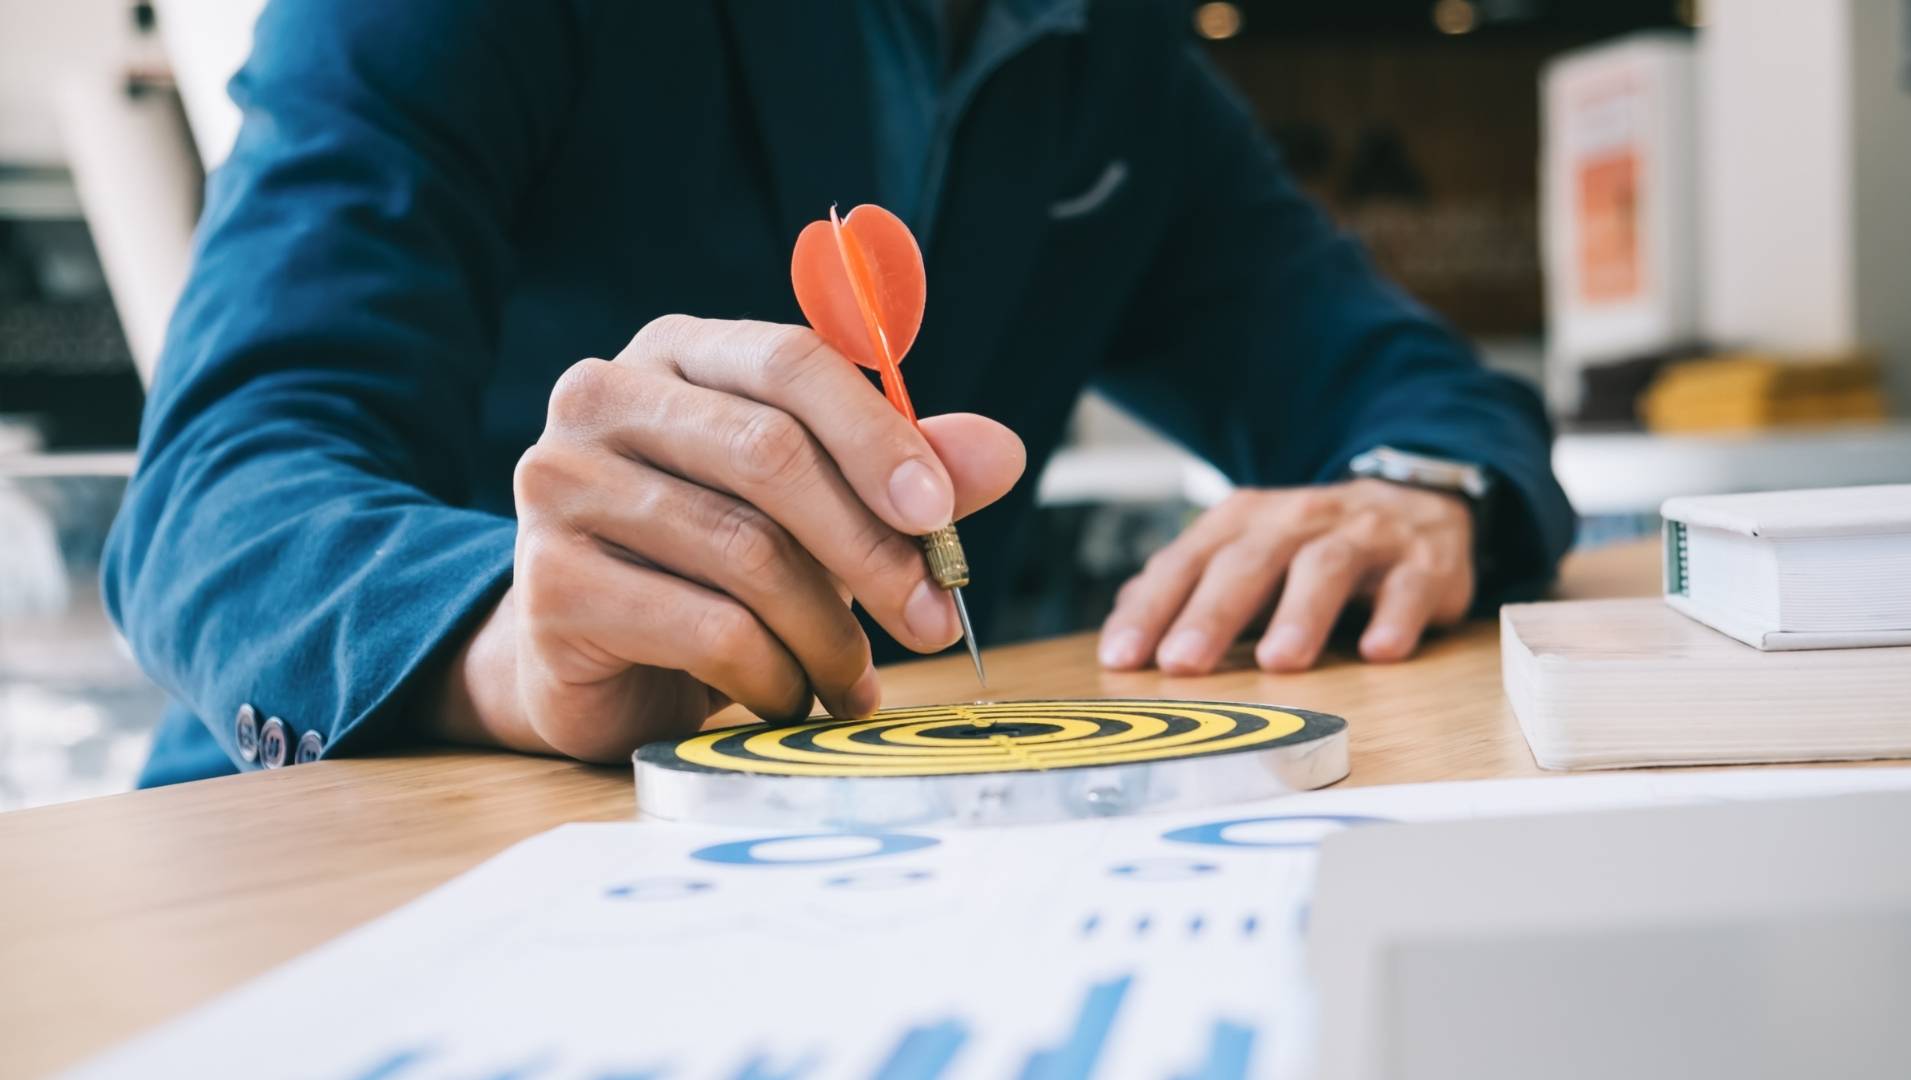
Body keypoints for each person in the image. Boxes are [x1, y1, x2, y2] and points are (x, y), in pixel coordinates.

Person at [105, 0, 1574, 785]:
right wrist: (514, 642)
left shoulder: (1102, 50)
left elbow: (1398, 378)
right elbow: (216, 493)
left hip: (852, 847)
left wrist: (1416, 490)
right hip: (356, 855)